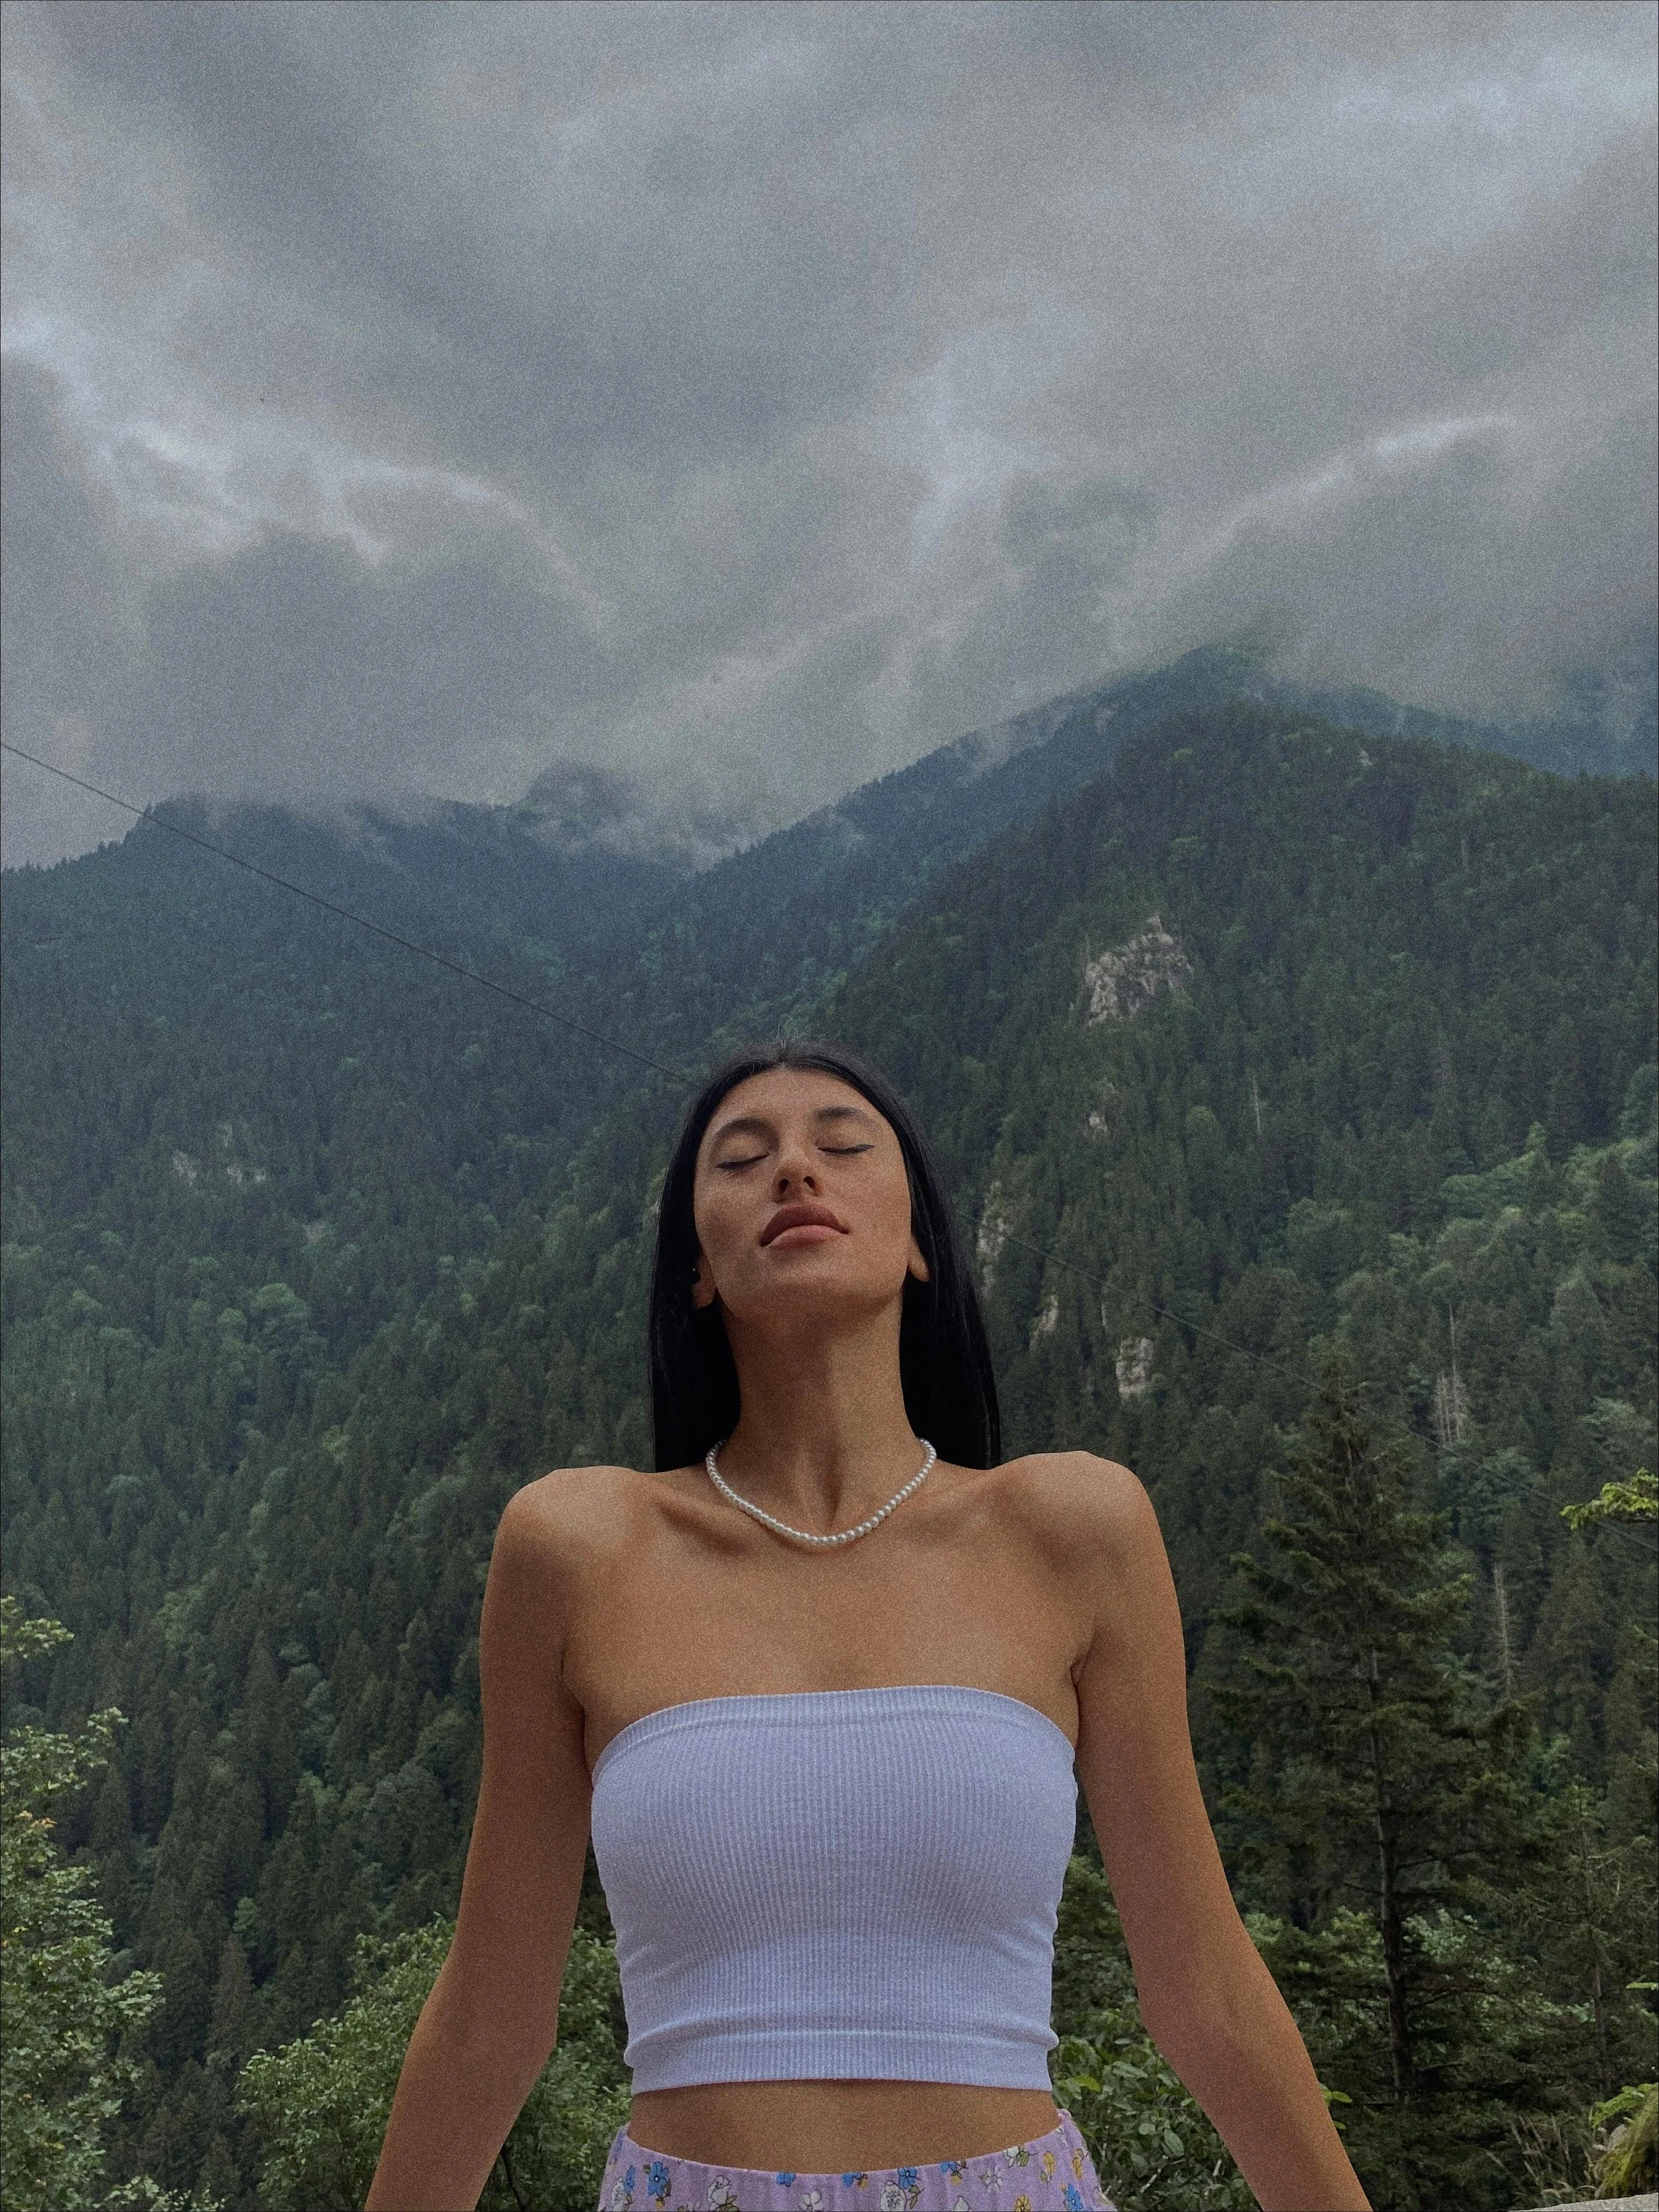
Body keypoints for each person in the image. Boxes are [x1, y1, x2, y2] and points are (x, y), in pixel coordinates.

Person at [366, 1038, 1372, 2212]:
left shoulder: (1071, 1528)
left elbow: (1204, 1987)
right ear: (696, 1270)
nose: (796, 1170)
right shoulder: (578, 1549)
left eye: (842, 1145)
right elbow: (491, 2017)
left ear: (920, 1246)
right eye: (742, 1161)